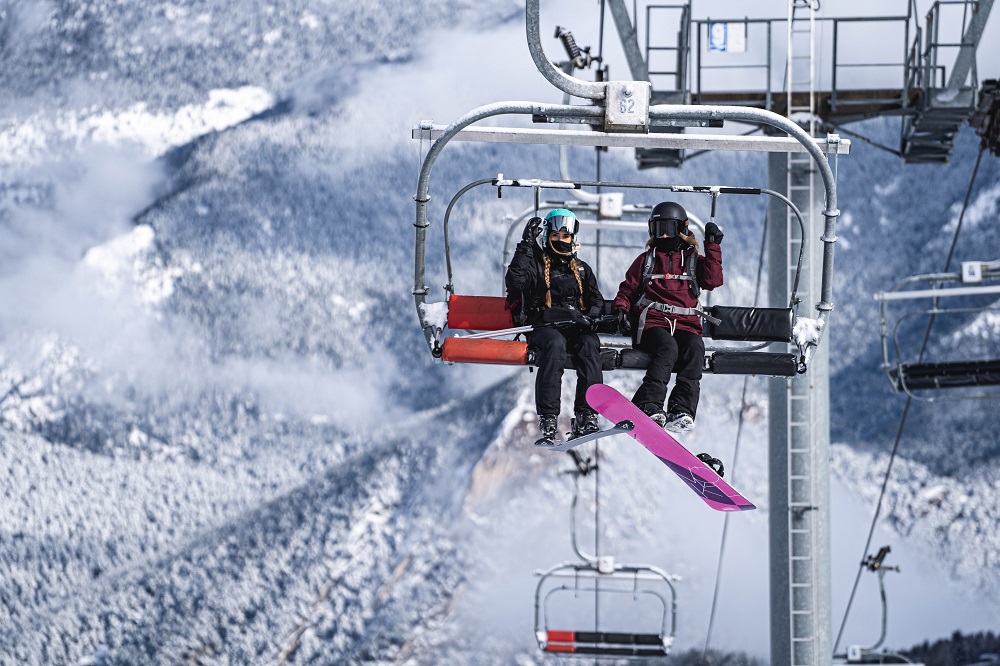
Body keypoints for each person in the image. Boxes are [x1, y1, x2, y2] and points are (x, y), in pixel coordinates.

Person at [612, 201, 724, 433]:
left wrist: (712, 247)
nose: (663, 235)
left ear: (681, 230)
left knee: (695, 349)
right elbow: (627, 290)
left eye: (669, 229)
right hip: (653, 322)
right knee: (668, 349)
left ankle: (681, 409)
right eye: (658, 229)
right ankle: (648, 404)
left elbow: (713, 281)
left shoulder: (693, 260)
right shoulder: (647, 260)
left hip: (686, 323)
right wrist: (621, 309)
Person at [505, 208, 605, 442]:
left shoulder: (580, 269)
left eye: (565, 236)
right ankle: (549, 415)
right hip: (544, 328)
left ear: (573, 239)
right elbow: (515, 280)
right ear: (547, 236)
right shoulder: (536, 266)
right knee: (555, 345)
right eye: (556, 236)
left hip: (575, 328)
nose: (561, 241)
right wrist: (526, 245)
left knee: (590, 344)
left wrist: (592, 315)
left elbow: (596, 298)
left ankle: (586, 412)